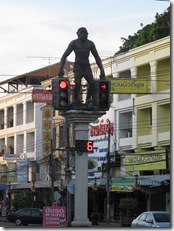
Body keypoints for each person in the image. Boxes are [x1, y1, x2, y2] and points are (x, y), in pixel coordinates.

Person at [58, 27, 105, 106]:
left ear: (87, 34)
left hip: (86, 66)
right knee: (77, 83)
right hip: (78, 66)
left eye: (85, 33)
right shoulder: (74, 43)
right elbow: (64, 56)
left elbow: (97, 57)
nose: (83, 34)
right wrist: (60, 68)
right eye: (81, 33)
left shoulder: (90, 44)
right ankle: (76, 99)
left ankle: (88, 99)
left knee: (92, 83)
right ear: (77, 34)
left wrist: (102, 69)